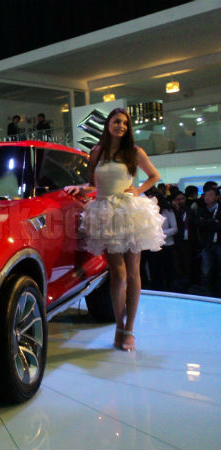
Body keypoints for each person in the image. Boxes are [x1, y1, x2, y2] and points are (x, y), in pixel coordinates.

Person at [63, 107, 164, 351]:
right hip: (105, 212)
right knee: (117, 273)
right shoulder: (96, 152)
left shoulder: (134, 151)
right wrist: (80, 189)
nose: (121, 126)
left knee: (133, 273)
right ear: (108, 124)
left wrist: (138, 191)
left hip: (129, 211)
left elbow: (154, 175)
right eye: (117, 121)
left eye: (125, 123)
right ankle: (119, 326)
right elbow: (93, 185)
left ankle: (129, 329)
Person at [194, 186, 221, 296]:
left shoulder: (219, 209)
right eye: (205, 195)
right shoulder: (201, 210)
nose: (207, 197)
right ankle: (206, 293)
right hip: (206, 244)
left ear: (217, 197)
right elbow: (198, 224)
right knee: (205, 270)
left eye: (210, 195)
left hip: (219, 243)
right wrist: (213, 222)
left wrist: (208, 223)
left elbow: (218, 226)